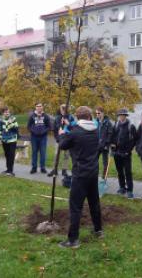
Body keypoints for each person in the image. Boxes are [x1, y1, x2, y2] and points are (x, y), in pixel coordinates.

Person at [58, 106, 103, 248]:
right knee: (94, 203)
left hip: (80, 174)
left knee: (75, 207)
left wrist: (61, 134)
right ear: (90, 117)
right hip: (93, 172)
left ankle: (73, 240)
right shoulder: (96, 131)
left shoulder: (74, 133)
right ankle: (98, 230)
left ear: (77, 117)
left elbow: (63, 145)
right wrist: (69, 128)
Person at [111, 108, 137, 199]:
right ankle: (122, 187)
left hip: (126, 153)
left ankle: (130, 190)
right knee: (120, 172)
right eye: (120, 115)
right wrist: (113, 144)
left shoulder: (131, 126)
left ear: (126, 116)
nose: (121, 117)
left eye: (123, 115)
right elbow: (113, 136)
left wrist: (128, 151)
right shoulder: (116, 125)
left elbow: (134, 140)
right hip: (117, 152)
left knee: (128, 172)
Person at [48, 104, 75, 179]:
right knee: (57, 155)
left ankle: (64, 170)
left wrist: (68, 124)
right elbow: (54, 129)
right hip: (59, 139)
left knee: (66, 155)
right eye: (61, 109)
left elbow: (73, 128)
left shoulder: (71, 117)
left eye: (64, 109)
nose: (63, 110)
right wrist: (57, 138)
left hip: (68, 139)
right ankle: (54, 169)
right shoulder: (57, 118)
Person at [27, 103, 51, 174]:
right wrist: (34, 131)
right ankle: (34, 168)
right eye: (37, 106)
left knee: (43, 153)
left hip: (43, 137)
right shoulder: (32, 116)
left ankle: (42, 168)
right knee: (34, 152)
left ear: (42, 107)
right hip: (34, 137)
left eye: (40, 106)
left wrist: (43, 131)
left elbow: (49, 127)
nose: (39, 107)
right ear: (35, 107)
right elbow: (29, 126)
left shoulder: (46, 116)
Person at [0, 107, 19, 176]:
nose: (7, 113)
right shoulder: (1, 120)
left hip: (12, 140)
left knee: (11, 155)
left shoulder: (13, 119)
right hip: (4, 140)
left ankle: (11, 170)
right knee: (7, 155)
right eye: (5, 112)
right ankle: (7, 169)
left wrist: (10, 124)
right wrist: (0, 137)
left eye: (8, 112)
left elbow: (16, 129)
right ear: (3, 113)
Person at [94, 106, 113, 178]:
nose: (97, 115)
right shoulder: (96, 122)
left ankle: (103, 177)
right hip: (97, 145)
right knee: (94, 161)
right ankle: (95, 175)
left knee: (105, 163)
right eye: (96, 113)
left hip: (104, 145)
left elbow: (110, 134)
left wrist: (106, 143)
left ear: (103, 113)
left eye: (99, 113)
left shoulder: (108, 123)